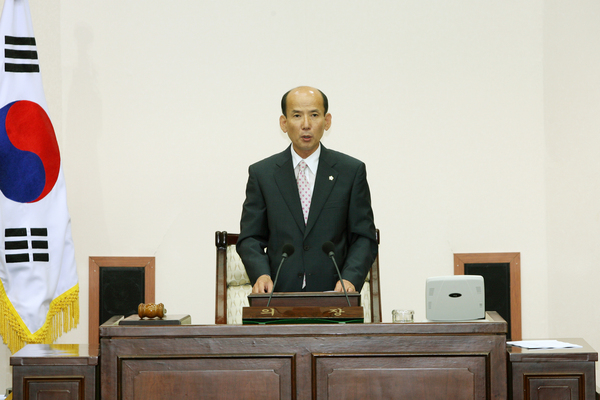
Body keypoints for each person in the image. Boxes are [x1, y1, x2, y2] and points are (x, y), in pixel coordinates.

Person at [236, 86, 377, 294]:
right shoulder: (263, 174)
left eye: (314, 115)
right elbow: (250, 238)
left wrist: (350, 278)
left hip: (334, 296)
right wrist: (261, 274)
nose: (306, 124)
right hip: (279, 294)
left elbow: (364, 236)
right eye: (296, 115)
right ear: (284, 123)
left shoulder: (350, 171)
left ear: (327, 121)